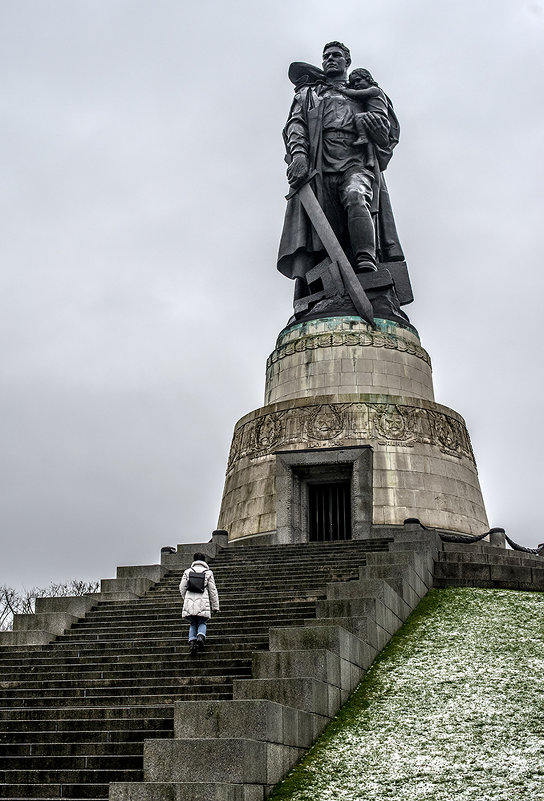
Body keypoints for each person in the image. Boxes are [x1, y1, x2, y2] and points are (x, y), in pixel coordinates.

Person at [278, 41, 405, 301]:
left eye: (336, 55)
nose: (330, 60)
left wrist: (381, 136)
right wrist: (299, 155)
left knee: (357, 196)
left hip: (357, 160)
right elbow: (296, 126)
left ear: (347, 61)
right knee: (325, 230)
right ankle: (329, 288)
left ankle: (365, 261)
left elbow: (388, 132)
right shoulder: (308, 94)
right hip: (320, 167)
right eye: (326, 56)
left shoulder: (365, 91)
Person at [340, 69, 389, 168]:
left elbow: (356, 94)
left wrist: (343, 90)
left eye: (358, 80)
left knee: (358, 117)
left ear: (368, 79)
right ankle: (370, 160)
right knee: (369, 139)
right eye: (353, 83)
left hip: (378, 118)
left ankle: (362, 137)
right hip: (372, 117)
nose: (356, 84)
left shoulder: (374, 90)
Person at [179, 551, 220, 657]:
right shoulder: (208, 573)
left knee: (193, 623)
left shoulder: (188, 571)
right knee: (202, 622)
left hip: (190, 601)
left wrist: (186, 598)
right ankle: (200, 637)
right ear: (204, 561)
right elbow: (213, 590)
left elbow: (182, 587)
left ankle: (192, 643)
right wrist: (215, 606)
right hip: (203, 601)